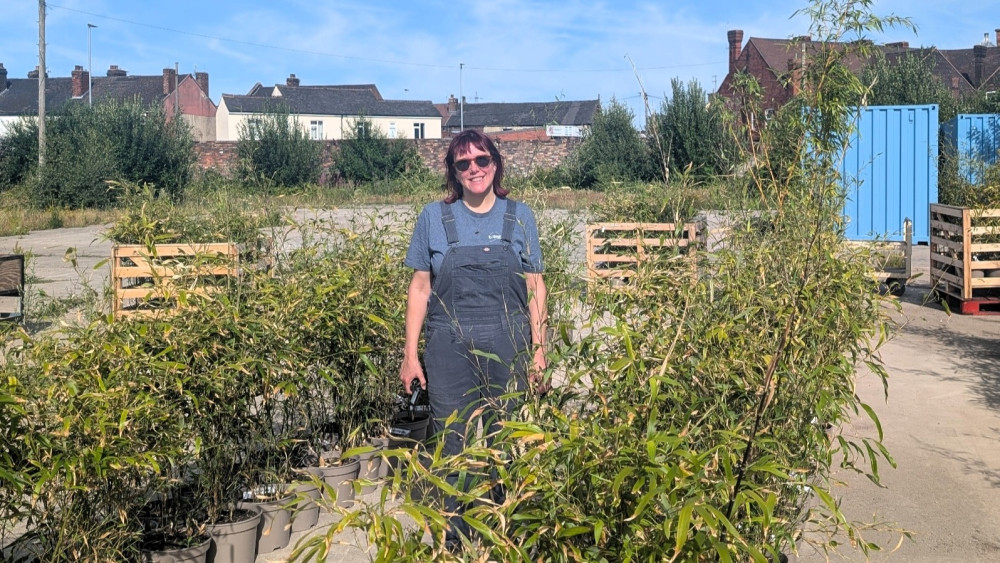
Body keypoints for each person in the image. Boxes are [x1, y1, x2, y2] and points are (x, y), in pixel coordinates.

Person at [399, 129, 548, 548]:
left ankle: (515, 535)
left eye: (481, 160)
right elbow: (419, 289)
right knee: (453, 443)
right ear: (453, 171)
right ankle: (456, 542)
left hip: (509, 344)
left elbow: (536, 289)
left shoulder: (520, 216)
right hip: (449, 349)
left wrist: (539, 353)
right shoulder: (433, 217)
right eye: (463, 163)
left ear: (495, 163)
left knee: (511, 440)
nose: (474, 169)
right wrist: (410, 355)